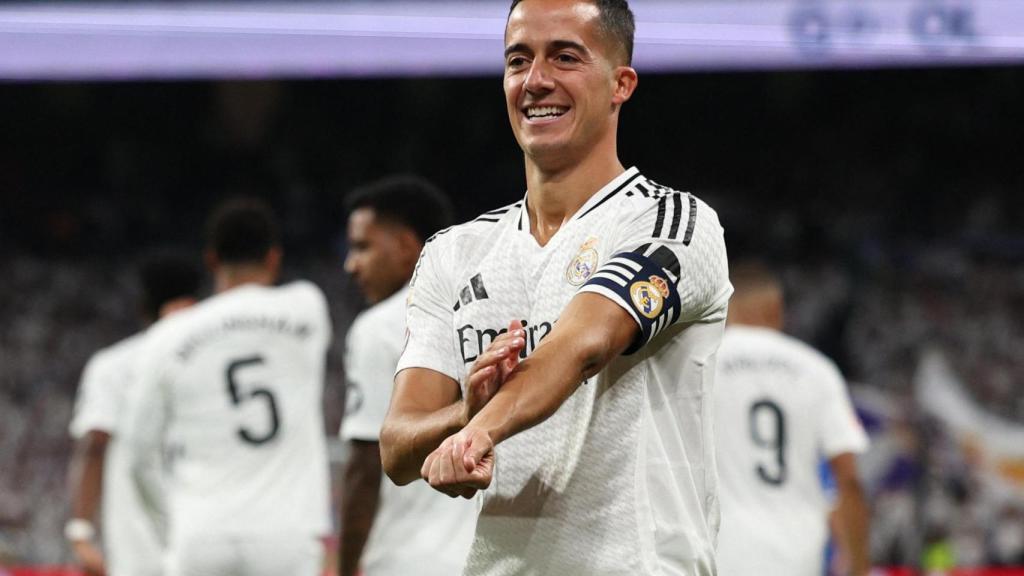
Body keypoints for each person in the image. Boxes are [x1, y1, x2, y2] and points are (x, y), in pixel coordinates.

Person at [379, 0, 732, 574]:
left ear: (621, 84)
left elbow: (580, 346)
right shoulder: (453, 252)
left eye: (565, 57)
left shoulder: (672, 223)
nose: (536, 80)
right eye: (518, 60)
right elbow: (396, 446)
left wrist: (478, 432)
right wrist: (463, 413)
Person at [122, 198, 333, 576]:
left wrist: (174, 526)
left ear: (211, 260)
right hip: (286, 533)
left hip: (202, 532)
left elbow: (138, 455)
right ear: (274, 257)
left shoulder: (168, 336)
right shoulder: (307, 307)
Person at [338, 175, 476, 576]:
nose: (351, 265)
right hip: (490, 554)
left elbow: (365, 469)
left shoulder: (379, 326)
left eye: (362, 247)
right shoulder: (494, 309)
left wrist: (345, 568)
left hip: (408, 556)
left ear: (405, 245)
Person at [713, 261, 870, 576]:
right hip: (798, 554)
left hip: (721, 548)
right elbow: (849, 480)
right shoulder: (817, 370)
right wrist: (859, 567)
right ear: (777, 309)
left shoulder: (702, 364)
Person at [66, 251, 202, 576]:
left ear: (143, 307)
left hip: (139, 550)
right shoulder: (211, 362)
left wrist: (80, 532)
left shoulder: (113, 365)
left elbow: (95, 444)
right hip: (207, 541)